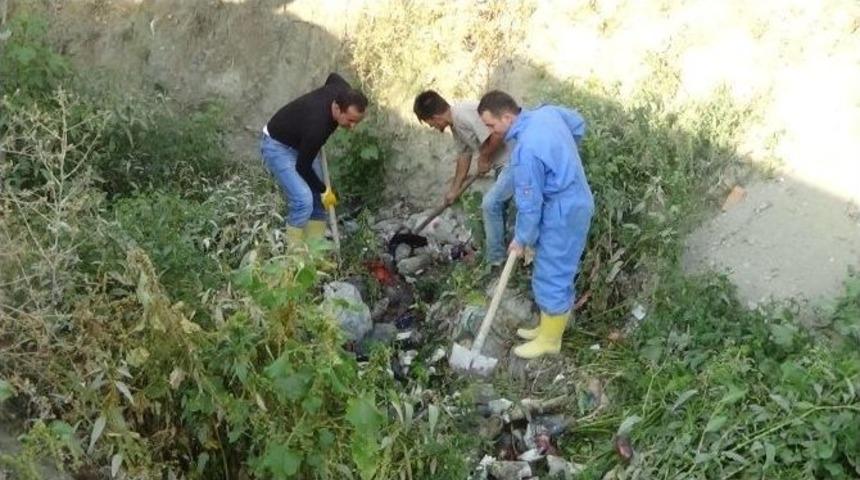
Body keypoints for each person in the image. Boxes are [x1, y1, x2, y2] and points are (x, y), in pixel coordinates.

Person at [477, 90, 593, 359]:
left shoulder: (526, 151)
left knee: (553, 273)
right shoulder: (546, 113)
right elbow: (578, 124)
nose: (492, 132)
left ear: (507, 117)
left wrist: (521, 239)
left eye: (492, 125)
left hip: (563, 209)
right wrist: (563, 157)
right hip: (574, 197)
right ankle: (546, 328)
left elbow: (529, 205)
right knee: (550, 268)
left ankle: (550, 341)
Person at [261, 73, 368, 245]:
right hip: (278, 147)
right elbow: (302, 167)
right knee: (304, 200)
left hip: (303, 144)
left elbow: (333, 77)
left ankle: (315, 253)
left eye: (357, 121)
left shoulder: (342, 90)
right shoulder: (318, 126)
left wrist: (322, 192)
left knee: (319, 202)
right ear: (337, 108)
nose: (353, 126)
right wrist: (324, 189)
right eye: (350, 120)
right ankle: (294, 259)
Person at [413, 90, 513, 266]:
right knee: (499, 208)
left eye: (430, 124)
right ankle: (504, 252)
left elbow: (496, 135)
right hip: (502, 165)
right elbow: (464, 157)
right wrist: (454, 190)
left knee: (491, 205)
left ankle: (496, 260)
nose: (432, 128)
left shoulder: (464, 114)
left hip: (514, 161)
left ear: (436, 117)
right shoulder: (456, 126)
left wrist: (485, 158)